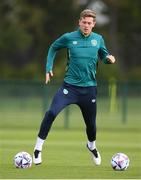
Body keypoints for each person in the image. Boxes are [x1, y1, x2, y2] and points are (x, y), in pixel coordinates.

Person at [33, 9, 116, 166]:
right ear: (79, 22)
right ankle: (37, 149)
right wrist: (48, 67)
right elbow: (53, 47)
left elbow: (104, 57)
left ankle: (92, 146)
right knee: (51, 113)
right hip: (69, 88)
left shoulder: (98, 39)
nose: (86, 25)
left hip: (89, 89)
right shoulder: (69, 37)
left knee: (91, 125)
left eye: (89, 23)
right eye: (84, 22)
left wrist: (109, 59)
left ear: (94, 24)